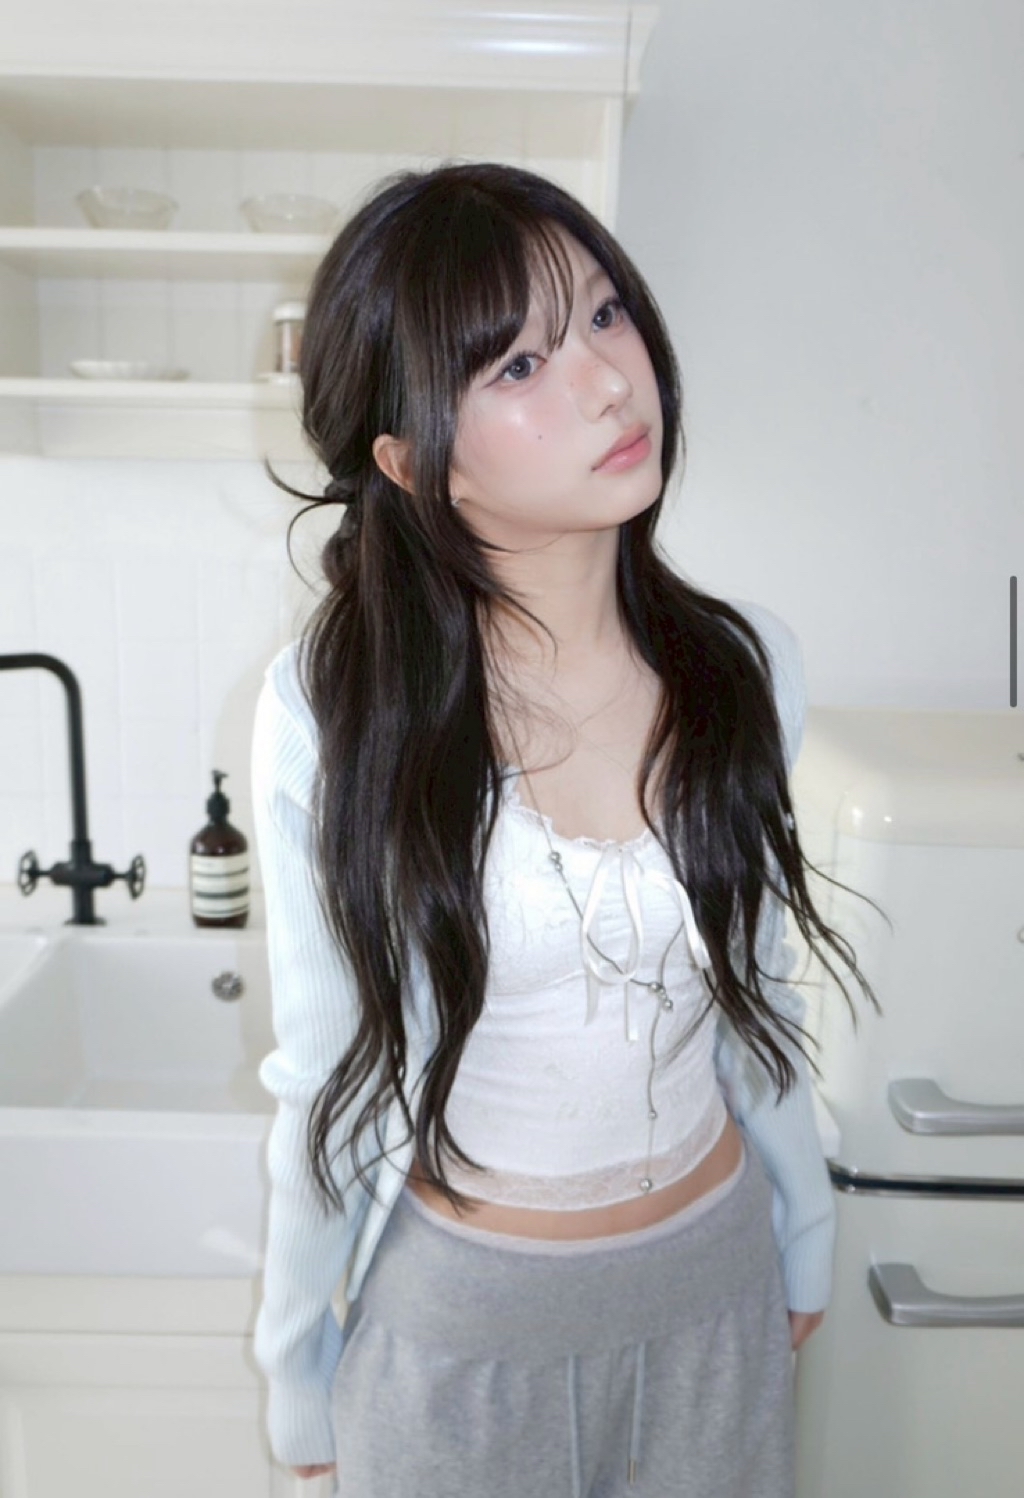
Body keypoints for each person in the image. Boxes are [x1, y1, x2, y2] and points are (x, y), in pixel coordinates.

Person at [250, 161, 877, 1497]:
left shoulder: (745, 667)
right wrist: (296, 1365)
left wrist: (805, 1228)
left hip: (715, 1295)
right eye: (521, 365)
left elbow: (757, 991)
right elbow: (326, 1072)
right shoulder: (337, 708)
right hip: (459, 1343)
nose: (607, 382)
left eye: (603, 313)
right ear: (414, 461)